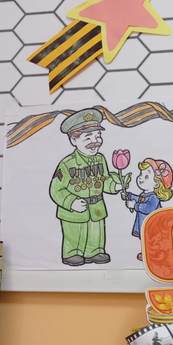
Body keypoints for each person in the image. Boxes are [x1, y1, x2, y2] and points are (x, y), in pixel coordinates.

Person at [50, 109, 121, 266]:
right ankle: (72, 253)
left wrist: (115, 186)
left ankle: (94, 251)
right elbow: (56, 190)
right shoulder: (67, 164)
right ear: (74, 140)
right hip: (73, 212)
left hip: (96, 207)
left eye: (98, 136)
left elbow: (104, 179)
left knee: (96, 233)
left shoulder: (100, 159)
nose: (95, 141)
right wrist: (71, 202)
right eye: (88, 137)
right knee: (74, 234)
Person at [122, 158, 173, 260]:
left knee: (153, 239)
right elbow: (139, 198)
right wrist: (129, 195)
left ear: (157, 184)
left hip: (152, 225)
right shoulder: (144, 194)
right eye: (141, 174)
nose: (141, 178)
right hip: (143, 223)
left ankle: (155, 253)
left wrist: (135, 206)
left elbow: (148, 208)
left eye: (146, 176)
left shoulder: (154, 197)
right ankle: (146, 252)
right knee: (145, 238)